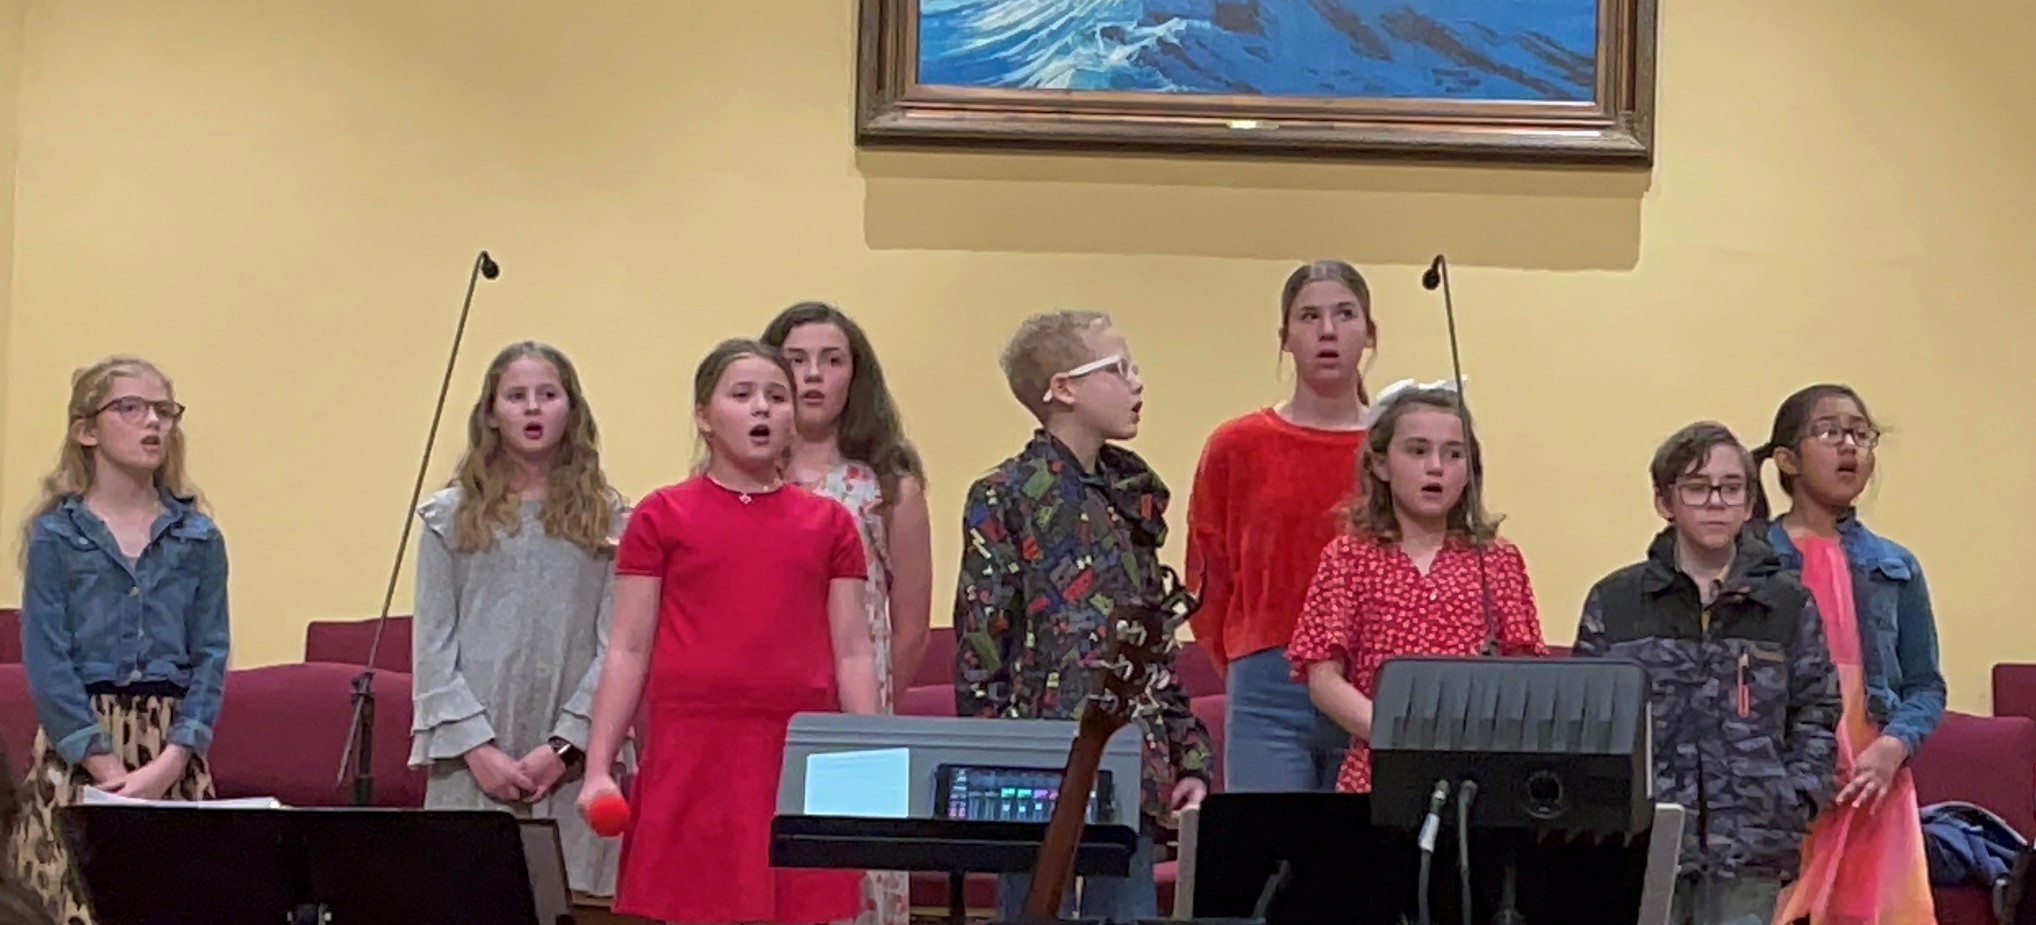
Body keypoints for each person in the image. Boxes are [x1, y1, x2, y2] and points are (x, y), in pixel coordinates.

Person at [576, 338, 880, 925]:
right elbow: (628, 648)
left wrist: (868, 761)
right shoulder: (662, 515)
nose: (762, 409)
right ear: (704, 416)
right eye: (742, 396)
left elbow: (854, 653)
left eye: (776, 397)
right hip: (692, 752)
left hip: (793, 750)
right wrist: (597, 767)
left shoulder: (830, 523)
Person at [954, 309, 1213, 922]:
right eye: (1119, 368)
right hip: (1033, 767)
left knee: (1126, 908)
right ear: (1063, 388)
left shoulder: (1133, 499)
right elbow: (981, 644)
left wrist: (1187, 753)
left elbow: (1152, 641)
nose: (1137, 383)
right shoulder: (1004, 494)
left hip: (1131, 762)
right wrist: (987, 761)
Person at [1570, 421, 1840, 925]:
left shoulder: (1785, 603)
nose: (1715, 501)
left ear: (1747, 502)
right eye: (1697, 487)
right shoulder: (1617, 601)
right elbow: (1588, 721)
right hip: (1642, 845)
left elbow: (1817, 709)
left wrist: (1795, 797)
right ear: (1665, 502)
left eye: (1730, 488)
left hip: (1753, 847)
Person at [9, 356, 229, 925]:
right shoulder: (57, 535)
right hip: (80, 744)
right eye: (130, 408)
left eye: (164, 410)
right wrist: (105, 770)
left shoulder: (197, 537)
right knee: (71, 902)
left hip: (170, 748)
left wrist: (174, 759)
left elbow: (211, 655)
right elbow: (47, 658)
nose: (152, 422)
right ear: (87, 430)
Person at [408, 341, 630, 897]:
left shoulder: (611, 521)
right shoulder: (447, 518)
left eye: (547, 395)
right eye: (516, 396)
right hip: (472, 761)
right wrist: (478, 751)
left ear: (571, 411)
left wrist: (561, 750)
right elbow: (433, 649)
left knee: (567, 902)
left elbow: (619, 648)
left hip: (575, 764)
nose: (532, 409)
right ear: (491, 413)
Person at [1287, 383, 1546, 795]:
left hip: (1478, 774)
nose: (1436, 467)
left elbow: (1525, 673)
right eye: (1417, 450)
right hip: (1378, 769)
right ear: (1381, 465)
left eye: (1454, 454)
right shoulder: (1348, 557)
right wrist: (1396, 734)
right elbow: (1323, 677)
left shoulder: (1498, 560)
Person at [762, 302, 931, 925]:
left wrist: (874, 717)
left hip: (857, 708)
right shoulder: (746, 477)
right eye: (796, 360)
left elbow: (911, 623)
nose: (812, 375)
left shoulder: (887, 485)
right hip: (765, 703)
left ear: (854, 377)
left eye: (831, 361)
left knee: (851, 872)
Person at [1186, 259, 1375, 793]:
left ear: (1370, 331)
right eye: (1309, 316)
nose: (1329, 331)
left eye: (1345, 314)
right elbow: (1209, 572)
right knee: (1268, 854)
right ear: (1285, 337)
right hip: (1267, 680)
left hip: (1369, 673)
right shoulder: (1237, 444)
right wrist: (1244, 660)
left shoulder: (1395, 448)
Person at [1755, 386, 1942, 924]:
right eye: (1830, 432)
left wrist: (1892, 747)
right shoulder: (1756, 561)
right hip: (1784, 786)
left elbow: (1926, 683)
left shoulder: (1896, 565)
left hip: (1873, 787)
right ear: (1787, 459)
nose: (1850, 447)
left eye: (1861, 434)